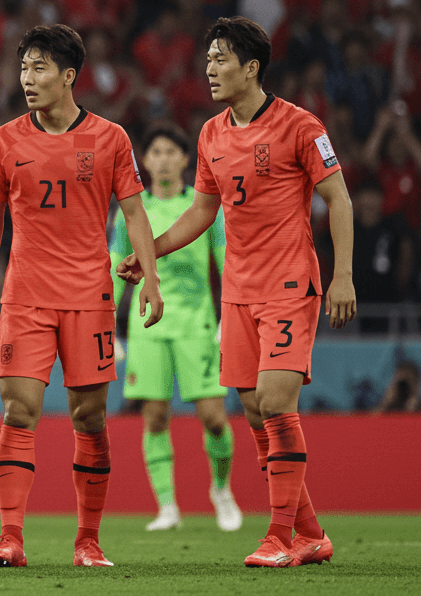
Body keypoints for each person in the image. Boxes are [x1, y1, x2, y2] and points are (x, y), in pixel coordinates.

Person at [118, 16, 356, 568]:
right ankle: (312, 533)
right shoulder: (211, 133)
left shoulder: (301, 126)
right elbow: (203, 210)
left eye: (221, 59)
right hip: (239, 291)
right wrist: (150, 250)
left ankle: (277, 537)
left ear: (251, 68)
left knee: (275, 403)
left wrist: (342, 275)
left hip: (290, 282)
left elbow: (339, 199)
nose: (210, 69)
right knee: (252, 412)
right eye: (208, 60)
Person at [0, 24, 164, 569]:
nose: (27, 79)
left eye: (39, 69)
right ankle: (10, 537)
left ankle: (88, 541)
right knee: (20, 408)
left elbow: (133, 212)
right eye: (23, 68)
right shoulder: (4, 140)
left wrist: (150, 277)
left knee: (89, 417)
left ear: (68, 76)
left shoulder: (110, 138)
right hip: (25, 296)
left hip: (88, 296)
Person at [110, 124, 242, 533]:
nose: (163, 159)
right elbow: (116, 268)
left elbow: (226, 262)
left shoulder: (204, 208)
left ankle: (221, 489)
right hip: (147, 325)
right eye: (156, 152)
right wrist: (107, 324)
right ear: (144, 161)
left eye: (172, 152)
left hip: (197, 323)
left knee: (214, 417)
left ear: (186, 160)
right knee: (154, 417)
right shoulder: (131, 210)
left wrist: (228, 318)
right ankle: (167, 507)